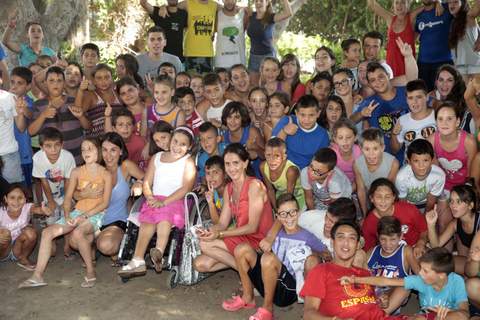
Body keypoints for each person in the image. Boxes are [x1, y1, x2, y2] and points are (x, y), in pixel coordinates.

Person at [19, 138, 113, 289]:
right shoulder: (76, 172)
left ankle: (90, 271)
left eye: (91, 148)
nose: (86, 152)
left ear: (99, 151)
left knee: (78, 233)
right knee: (47, 232)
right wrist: (68, 215)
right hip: (78, 212)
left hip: (97, 214)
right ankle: (37, 276)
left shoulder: (106, 174)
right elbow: (68, 198)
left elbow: (105, 203)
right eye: (83, 149)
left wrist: (85, 216)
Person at [222, 193, 325, 320]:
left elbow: (326, 254)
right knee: (241, 249)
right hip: (269, 279)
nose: (289, 218)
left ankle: (267, 309)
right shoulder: (275, 233)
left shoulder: (307, 236)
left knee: (268, 258)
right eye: (283, 214)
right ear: (278, 217)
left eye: (292, 212)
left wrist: (313, 254)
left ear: (298, 213)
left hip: (288, 290)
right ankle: (248, 297)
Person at [118, 127, 196, 276]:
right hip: (155, 199)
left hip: (175, 200)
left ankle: (158, 251)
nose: (177, 147)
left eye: (183, 144)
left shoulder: (188, 161)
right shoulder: (157, 157)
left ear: (190, 147)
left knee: (164, 218)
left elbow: (186, 188)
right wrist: (149, 197)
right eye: (175, 141)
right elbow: (147, 182)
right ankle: (138, 260)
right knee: (147, 222)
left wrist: (164, 202)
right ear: (170, 139)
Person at [194, 143, 274, 273]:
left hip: (259, 240)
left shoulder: (254, 185)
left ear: (245, 163)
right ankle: (249, 272)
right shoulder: (229, 188)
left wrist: (219, 234)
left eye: (236, 163)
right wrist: (208, 231)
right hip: (242, 237)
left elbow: (252, 227)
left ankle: (251, 276)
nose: (231, 168)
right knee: (201, 264)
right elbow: (222, 223)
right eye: (227, 164)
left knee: (206, 245)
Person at [340, 247, 470, 320]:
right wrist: (355, 279)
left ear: (441, 275)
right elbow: (386, 280)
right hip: (427, 317)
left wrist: (449, 313)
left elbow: (465, 313)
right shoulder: (420, 280)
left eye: (425, 271)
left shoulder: (456, 281)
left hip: (449, 317)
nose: (420, 273)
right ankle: (379, 317)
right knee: (418, 318)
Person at [301, 220, 390, 320]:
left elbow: (367, 303)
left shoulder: (365, 273)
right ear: (332, 242)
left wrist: (380, 301)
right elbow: (308, 314)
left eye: (352, 238)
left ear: (357, 245)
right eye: (341, 237)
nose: (346, 243)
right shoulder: (321, 271)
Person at [350, 52, 418, 162]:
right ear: (370, 84)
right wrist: (361, 114)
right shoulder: (370, 103)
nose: (378, 82)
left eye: (381, 77)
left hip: (415, 153)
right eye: (373, 80)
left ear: (388, 75)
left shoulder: (406, 92)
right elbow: (350, 121)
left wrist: (408, 56)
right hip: (386, 160)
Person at [90, 133, 144, 264]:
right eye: (105, 150)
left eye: (113, 150)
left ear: (121, 151)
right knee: (75, 241)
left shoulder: (125, 166)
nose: (108, 155)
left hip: (116, 220)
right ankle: (95, 243)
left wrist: (139, 183)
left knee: (106, 246)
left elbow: (148, 178)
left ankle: (101, 244)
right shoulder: (93, 167)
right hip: (94, 218)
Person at [427, 102, 477, 233]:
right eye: (440, 119)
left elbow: (472, 174)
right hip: (445, 185)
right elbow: (435, 171)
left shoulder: (469, 141)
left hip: (465, 186)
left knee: (465, 225)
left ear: (458, 121)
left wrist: (464, 197)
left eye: (449, 118)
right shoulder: (432, 140)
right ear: (436, 122)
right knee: (443, 224)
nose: (444, 123)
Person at [366, 216, 420, 310]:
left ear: (401, 237)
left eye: (393, 239)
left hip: (394, 296)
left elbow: (421, 275)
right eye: (383, 239)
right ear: (378, 236)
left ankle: (380, 316)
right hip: (373, 296)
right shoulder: (371, 252)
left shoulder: (406, 251)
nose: (388, 244)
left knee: (405, 286)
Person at [362, 178, 428, 256]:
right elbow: (369, 250)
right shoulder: (368, 223)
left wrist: (420, 244)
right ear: (371, 198)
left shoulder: (409, 209)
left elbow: (424, 230)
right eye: (379, 197)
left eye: (387, 197)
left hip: (415, 249)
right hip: (390, 255)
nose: (383, 201)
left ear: (394, 198)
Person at [426, 184, 480, 274]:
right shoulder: (455, 224)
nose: (453, 206)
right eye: (451, 201)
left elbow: (472, 269)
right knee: (439, 263)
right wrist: (431, 225)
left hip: (475, 262)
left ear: (470, 206)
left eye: (458, 202)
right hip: (473, 261)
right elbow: (436, 246)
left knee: (470, 278)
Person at [366, 0, 423, 82]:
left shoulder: (411, 17)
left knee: (408, 89)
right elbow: (372, 4)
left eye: (403, 2)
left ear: (408, 5)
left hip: (407, 64)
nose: (399, 5)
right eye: (397, 2)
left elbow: (428, 5)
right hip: (391, 64)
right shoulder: (390, 19)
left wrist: (438, 3)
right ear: (393, 5)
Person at [0, 184, 52, 271]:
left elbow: (35, 209)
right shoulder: (1, 212)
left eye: (20, 198)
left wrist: (43, 210)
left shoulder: (27, 207)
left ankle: (23, 258)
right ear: (6, 199)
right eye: (12, 197)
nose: (16, 202)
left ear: (25, 200)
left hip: (18, 247)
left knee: (30, 232)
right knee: (5, 233)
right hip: (3, 250)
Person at [273, 95, 330, 170]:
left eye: (311, 115)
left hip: (307, 173)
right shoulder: (287, 121)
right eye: (302, 115)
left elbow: (321, 162)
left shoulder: (323, 135)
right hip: (283, 168)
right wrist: (284, 132)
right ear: (296, 113)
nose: (307, 119)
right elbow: (272, 149)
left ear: (318, 113)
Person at [354, 128, 399, 215]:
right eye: (367, 149)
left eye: (375, 148)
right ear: (361, 149)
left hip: (386, 198)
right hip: (369, 197)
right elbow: (361, 190)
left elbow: (388, 191)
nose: (371, 154)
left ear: (382, 148)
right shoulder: (357, 164)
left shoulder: (393, 163)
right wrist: (365, 214)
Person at [245, 0, 292, 85]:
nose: (258, 3)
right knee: (253, 86)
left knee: (269, 86)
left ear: (267, 3)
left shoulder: (270, 17)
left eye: (261, 1)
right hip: (253, 56)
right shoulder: (251, 15)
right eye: (256, 1)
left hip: (267, 56)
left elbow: (288, 13)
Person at [395, 139, 445, 212]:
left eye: (425, 160)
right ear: (408, 161)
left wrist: (425, 218)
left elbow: (431, 201)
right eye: (416, 161)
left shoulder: (439, 175)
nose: (421, 166)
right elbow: (403, 202)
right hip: (409, 204)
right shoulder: (401, 177)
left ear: (432, 159)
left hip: (426, 204)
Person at [390, 79, 436, 157]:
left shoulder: (438, 115)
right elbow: (394, 150)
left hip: (434, 163)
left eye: (419, 97)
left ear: (427, 97)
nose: (415, 101)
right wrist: (394, 134)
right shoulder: (402, 120)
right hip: (410, 166)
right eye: (410, 98)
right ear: (406, 100)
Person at [415, 0, 453, 91]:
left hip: (444, 62)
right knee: (425, 95)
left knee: (445, 96)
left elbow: (466, 14)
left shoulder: (446, 7)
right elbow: (413, 36)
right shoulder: (418, 15)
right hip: (423, 64)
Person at [76, 64, 121, 139]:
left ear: (112, 78)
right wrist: (80, 90)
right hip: (97, 142)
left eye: (107, 77)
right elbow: (77, 110)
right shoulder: (91, 95)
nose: (103, 81)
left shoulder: (118, 94)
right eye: (99, 78)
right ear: (94, 81)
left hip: (117, 141)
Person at [261, 137, 305, 211]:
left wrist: (282, 212)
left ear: (284, 156)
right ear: (264, 154)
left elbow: (289, 196)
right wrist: (276, 209)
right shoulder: (262, 167)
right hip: (280, 195)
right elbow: (270, 190)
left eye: (276, 156)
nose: (272, 160)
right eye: (268, 155)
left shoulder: (291, 171)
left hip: (298, 197)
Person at [10, 67, 34, 187]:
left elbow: (29, 115)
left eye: (20, 83)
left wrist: (21, 109)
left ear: (28, 86)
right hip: (7, 152)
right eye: (12, 82)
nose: (14, 86)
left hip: (23, 153)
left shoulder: (27, 101)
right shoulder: (4, 100)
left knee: (25, 188)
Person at [448, 0, 480, 81]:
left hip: (475, 63)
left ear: (463, 3)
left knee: (476, 92)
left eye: (455, 2)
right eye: (449, 2)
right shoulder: (453, 22)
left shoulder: (469, 15)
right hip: (460, 66)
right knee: (465, 93)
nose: (452, 5)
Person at [0, 89, 27, 183]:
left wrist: (20, 113)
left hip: (9, 153)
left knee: (14, 191)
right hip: (10, 154)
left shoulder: (10, 97)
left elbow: (21, 128)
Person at [214, 0, 247, 69]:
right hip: (221, 63)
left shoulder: (244, 13)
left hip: (239, 62)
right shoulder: (217, 14)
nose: (229, 2)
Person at [330, 119, 362, 187]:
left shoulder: (360, 152)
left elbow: (360, 178)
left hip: (355, 185)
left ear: (355, 137)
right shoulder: (331, 154)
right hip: (336, 186)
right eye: (340, 138)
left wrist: (350, 191)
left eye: (348, 137)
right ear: (335, 139)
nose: (345, 141)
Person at [204, 156, 227, 224]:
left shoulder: (229, 192)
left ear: (225, 174)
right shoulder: (213, 192)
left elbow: (219, 225)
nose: (211, 177)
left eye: (215, 172)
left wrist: (211, 203)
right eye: (208, 173)